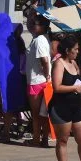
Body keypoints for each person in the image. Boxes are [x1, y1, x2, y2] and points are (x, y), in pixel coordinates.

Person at [25, 12, 52, 147]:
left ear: (42, 26)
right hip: (39, 80)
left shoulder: (40, 40)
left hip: (37, 81)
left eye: (35, 24)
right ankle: (43, 139)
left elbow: (45, 60)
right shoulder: (41, 38)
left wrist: (47, 76)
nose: (32, 26)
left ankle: (37, 138)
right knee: (42, 114)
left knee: (36, 114)